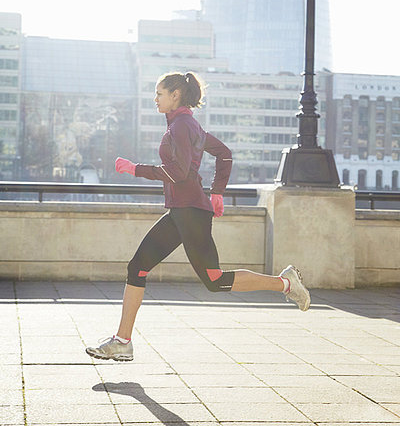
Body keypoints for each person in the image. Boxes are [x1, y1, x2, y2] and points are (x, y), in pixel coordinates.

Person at [86, 72, 310, 362]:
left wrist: (135, 168)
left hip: (190, 212)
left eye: (159, 93)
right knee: (138, 267)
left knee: (214, 280)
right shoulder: (187, 125)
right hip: (182, 211)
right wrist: (216, 193)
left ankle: (286, 283)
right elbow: (224, 154)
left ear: (175, 95)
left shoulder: (182, 125)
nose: (155, 99)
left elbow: (179, 172)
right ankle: (123, 341)